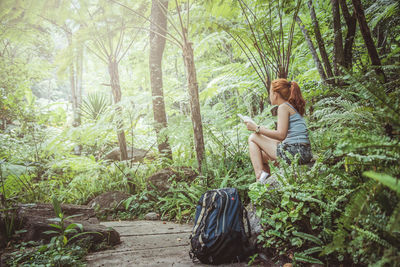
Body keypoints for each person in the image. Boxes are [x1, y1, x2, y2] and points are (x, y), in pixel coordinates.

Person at [246, 78, 312, 183]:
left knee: (253, 137)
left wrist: (257, 128)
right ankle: (265, 181)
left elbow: (281, 135)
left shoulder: (283, 107)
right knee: (260, 156)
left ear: (275, 94)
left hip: (295, 152)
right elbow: (282, 138)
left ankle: (259, 177)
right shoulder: (290, 107)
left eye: (270, 93)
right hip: (303, 152)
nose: (269, 96)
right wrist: (262, 130)